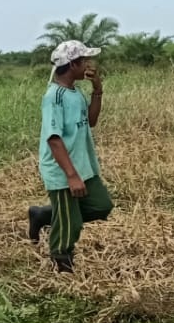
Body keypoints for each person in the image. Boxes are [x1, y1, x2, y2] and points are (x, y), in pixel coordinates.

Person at [27, 40, 114, 272]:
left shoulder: (74, 93)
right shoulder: (53, 98)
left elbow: (91, 121)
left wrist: (97, 89)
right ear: (73, 64)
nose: (87, 64)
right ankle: (62, 261)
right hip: (63, 169)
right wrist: (71, 176)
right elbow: (54, 139)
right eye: (84, 60)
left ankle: (44, 215)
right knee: (70, 224)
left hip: (83, 165)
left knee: (101, 205)